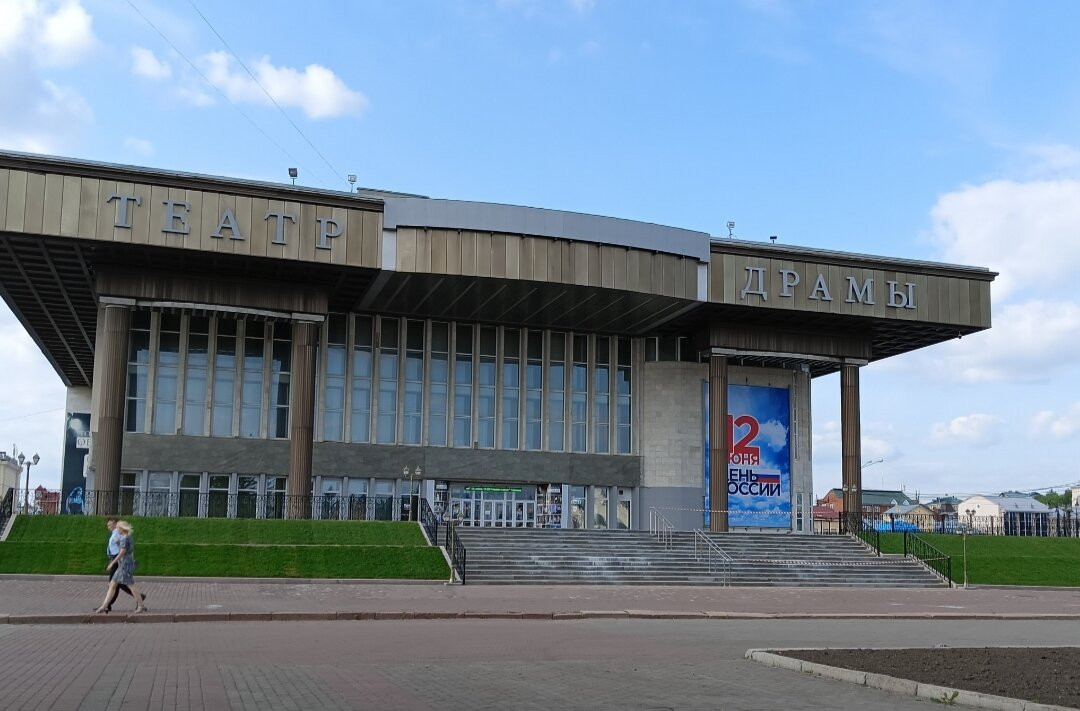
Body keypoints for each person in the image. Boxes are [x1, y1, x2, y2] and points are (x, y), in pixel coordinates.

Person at [95, 520, 146, 614]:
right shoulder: (128, 537)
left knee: (130, 585)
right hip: (126, 563)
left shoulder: (124, 538)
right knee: (112, 584)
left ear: (122, 529)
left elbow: (122, 552)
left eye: (118, 528)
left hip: (124, 564)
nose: (117, 530)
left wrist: (112, 563)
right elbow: (129, 550)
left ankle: (141, 605)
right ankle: (104, 606)